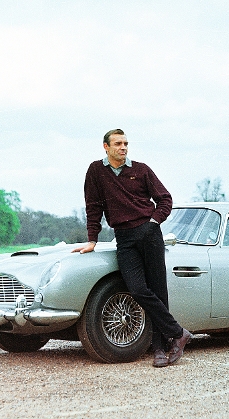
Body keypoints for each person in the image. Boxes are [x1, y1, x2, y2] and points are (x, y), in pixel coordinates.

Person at [72, 128, 192, 367]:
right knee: (137, 289)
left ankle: (160, 349)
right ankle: (178, 333)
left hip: (149, 234)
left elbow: (165, 199)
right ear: (106, 147)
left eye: (125, 143)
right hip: (124, 237)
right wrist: (92, 239)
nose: (123, 147)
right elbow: (93, 206)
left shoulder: (141, 169)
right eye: (118, 143)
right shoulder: (96, 170)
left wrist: (154, 222)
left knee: (158, 290)